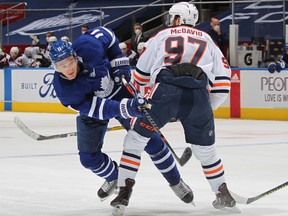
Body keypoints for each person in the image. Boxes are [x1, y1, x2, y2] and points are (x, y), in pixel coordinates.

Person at [111, 1, 236, 214]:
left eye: (172, 17)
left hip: (163, 93)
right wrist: (204, 109)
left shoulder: (160, 36)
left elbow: (140, 75)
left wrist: (148, 102)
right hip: (198, 98)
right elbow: (223, 85)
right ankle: (223, 194)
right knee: (206, 152)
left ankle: (123, 192)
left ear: (177, 19)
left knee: (135, 141)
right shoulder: (208, 39)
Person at [48, 26, 192, 205]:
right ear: (55, 67)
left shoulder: (87, 45)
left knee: (152, 142)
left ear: (75, 56)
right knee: (88, 158)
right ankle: (114, 177)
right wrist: (128, 107)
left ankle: (176, 181)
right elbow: (100, 109)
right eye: (62, 66)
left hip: (119, 92)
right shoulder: (65, 90)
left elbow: (107, 34)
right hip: (96, 108)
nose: (68, 68)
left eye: (70, 61)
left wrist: (119, 61)